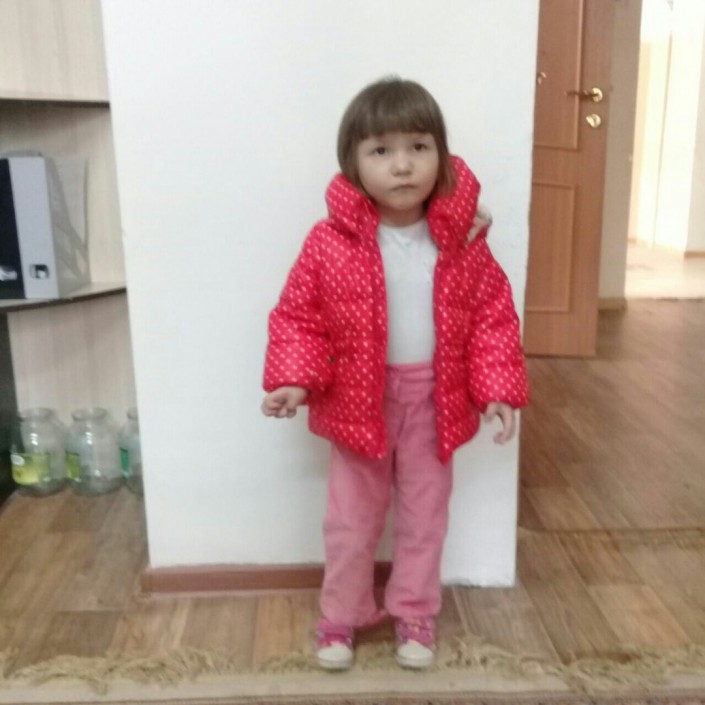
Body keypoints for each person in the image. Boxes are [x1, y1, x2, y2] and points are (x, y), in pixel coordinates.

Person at [261, 77, 529, 671]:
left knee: (425, 517)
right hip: (360, 402)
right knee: (350, 521)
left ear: (441, 155)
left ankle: (414, 611)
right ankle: (341, 615)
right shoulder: (329, 243)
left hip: (436, 401)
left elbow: (492, 317)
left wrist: (496, 390)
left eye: (418, 147)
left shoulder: (463, 240)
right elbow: (300, 316)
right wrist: (295, 379)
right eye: (381, 150)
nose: (402, 165)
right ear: (353, 163)